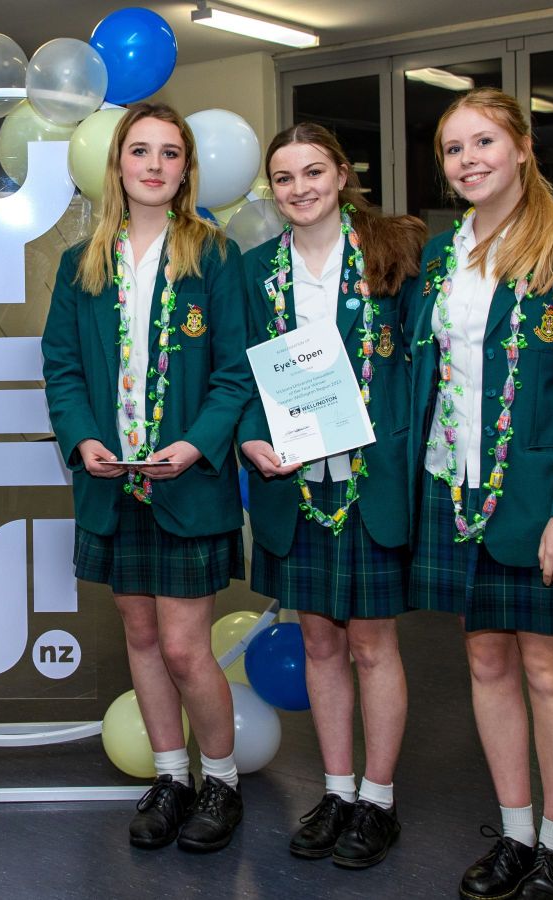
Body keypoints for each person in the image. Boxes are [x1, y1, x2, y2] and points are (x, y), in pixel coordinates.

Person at [407, 88, 553, 900]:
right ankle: (516, 832)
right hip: (453, 487)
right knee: (484, 658)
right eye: (454, 149)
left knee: (548, 670)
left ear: (523, 147)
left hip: (538, 498)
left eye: (484, 142)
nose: (469, 160)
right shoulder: (440, 255)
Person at [42, 102, 252, 853]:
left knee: (186, 646)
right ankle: (170, 775)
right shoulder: (82, 265)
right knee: (138, 633)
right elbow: (61, 368)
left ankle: (220, 779)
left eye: (170, 153)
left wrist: (196, 447)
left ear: (186, 170)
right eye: (141, 151)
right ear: (119, 166)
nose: (155, 165)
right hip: (113, 481)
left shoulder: (215, 256)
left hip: (188, 483)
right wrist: (83, 438)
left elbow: (234, 374)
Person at [237, 123, 426, 869]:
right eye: (283, 178)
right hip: (297, 487)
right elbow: (244, 373)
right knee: (319, 640)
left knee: (373, 645)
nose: (300, 189)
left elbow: (421, 366)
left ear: (342, 174)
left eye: (313, 172)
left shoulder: (391, 254)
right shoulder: (258, 273)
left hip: (372, 480)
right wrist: (252, 434)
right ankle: (338, 789)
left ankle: (378, 800)